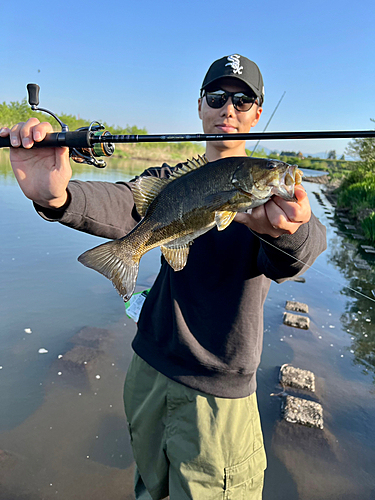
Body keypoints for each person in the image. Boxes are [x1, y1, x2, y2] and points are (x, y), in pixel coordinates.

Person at [1, 54, 326, 500]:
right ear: (199, 105)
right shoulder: (168, 178)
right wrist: (58, 196)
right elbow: (122, 205)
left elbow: (302, 251)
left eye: (241, 99)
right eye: (217, 97)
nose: (227, 109)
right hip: (148, 369)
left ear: (257, 111)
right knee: (148, 490)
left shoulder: (269, 203)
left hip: (219, 395)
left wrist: (292, 231)